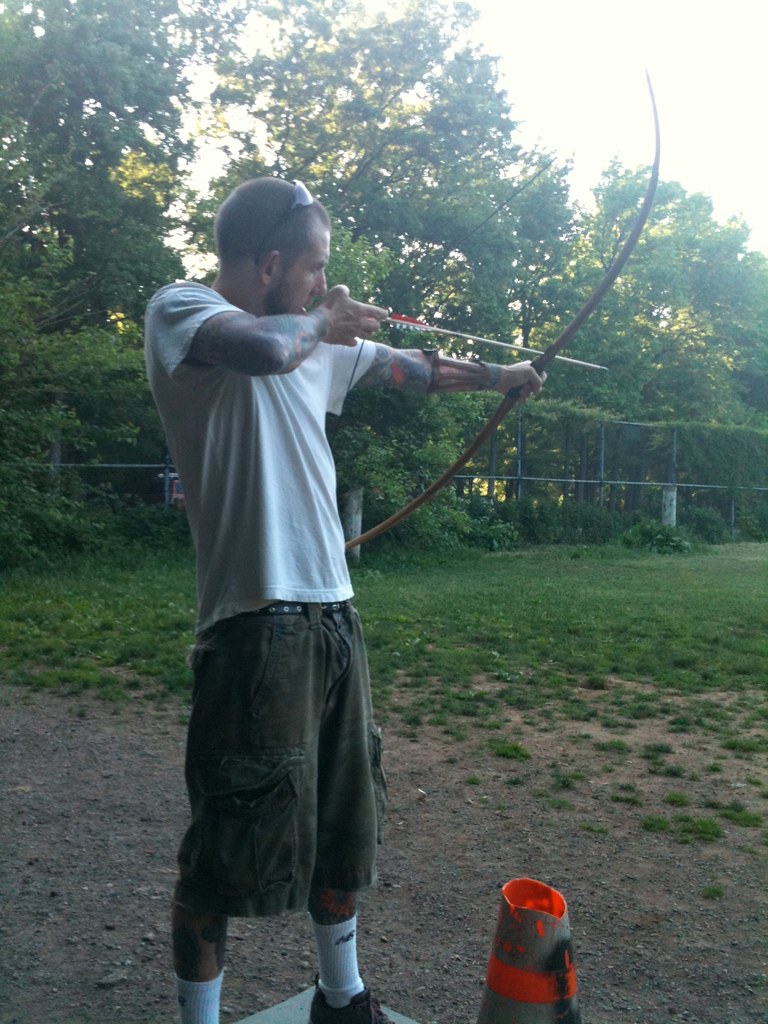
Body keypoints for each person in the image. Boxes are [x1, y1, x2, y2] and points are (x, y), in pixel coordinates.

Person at [144, 176, 545, 1024]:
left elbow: (414, 368)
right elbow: (263, 350)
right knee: (227, 842)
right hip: (253, 624)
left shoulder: (316, 338)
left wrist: (499, 375)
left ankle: (342, 995)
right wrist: (321, 323)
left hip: (333, 616)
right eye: (317, 268)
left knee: (343, 818)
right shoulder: (185, 311)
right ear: (274, 261)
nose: (328, 284)